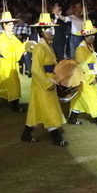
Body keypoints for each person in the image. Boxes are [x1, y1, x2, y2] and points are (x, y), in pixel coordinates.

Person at [20, 12, 68, 146]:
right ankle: (56, 136)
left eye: (52, 28)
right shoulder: (39, 48)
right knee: (49, 108)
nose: (51, 31)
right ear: (42, 31)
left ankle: (26, 133)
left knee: (37, 109)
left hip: (49, 79)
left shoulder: (48, 45)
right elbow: (35, 69)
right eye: (48, 29)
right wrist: (47, 82)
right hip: (43, 82)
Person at [67, 19, 97, 129]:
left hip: (91, 75)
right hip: (85, 77)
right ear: (84, 37)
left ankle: (72, 117)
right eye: (90, 35)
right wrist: (91, 77)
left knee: (80, 98)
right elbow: (83, 66)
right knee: (92, 98)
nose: (93, 37)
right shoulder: (80, 49)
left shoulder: (89, 46)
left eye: (93, 35)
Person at [0, 9, 25, 112]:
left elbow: (20, 46)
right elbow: (6, 53)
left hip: (13, 63)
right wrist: (21, 50)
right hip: (6, 63)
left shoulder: (12, 36)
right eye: (10, 24)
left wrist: (26, 47)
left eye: (12, 24)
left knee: (11, 84)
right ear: (4, 25)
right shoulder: (2, 38)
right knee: (6, 84)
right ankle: (15, 106)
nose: (12, 26)